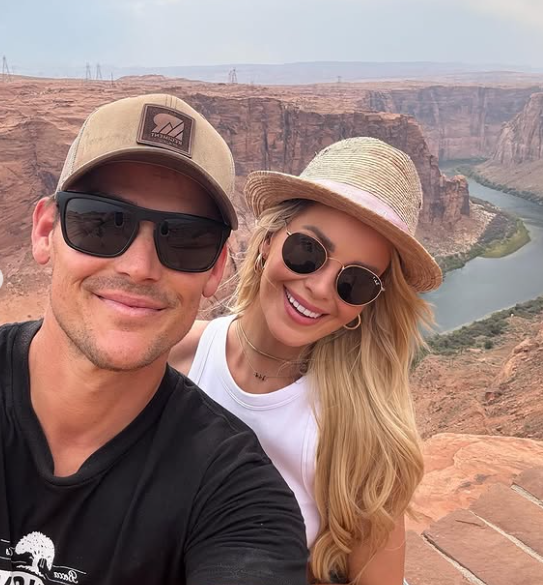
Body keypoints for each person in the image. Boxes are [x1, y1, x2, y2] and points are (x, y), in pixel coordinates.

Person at [0, 94, 308, 585]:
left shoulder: (237, 493)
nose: (139, 267)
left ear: (216, 269)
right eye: (102, 223)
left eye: (185, 238)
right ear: (44, 232)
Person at [170, 137, 442, 585]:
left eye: (355, 282)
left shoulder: (362, 436)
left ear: (368, 304)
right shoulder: (174, 358)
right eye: (307, 252)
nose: (319, 287)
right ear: (267, 241)